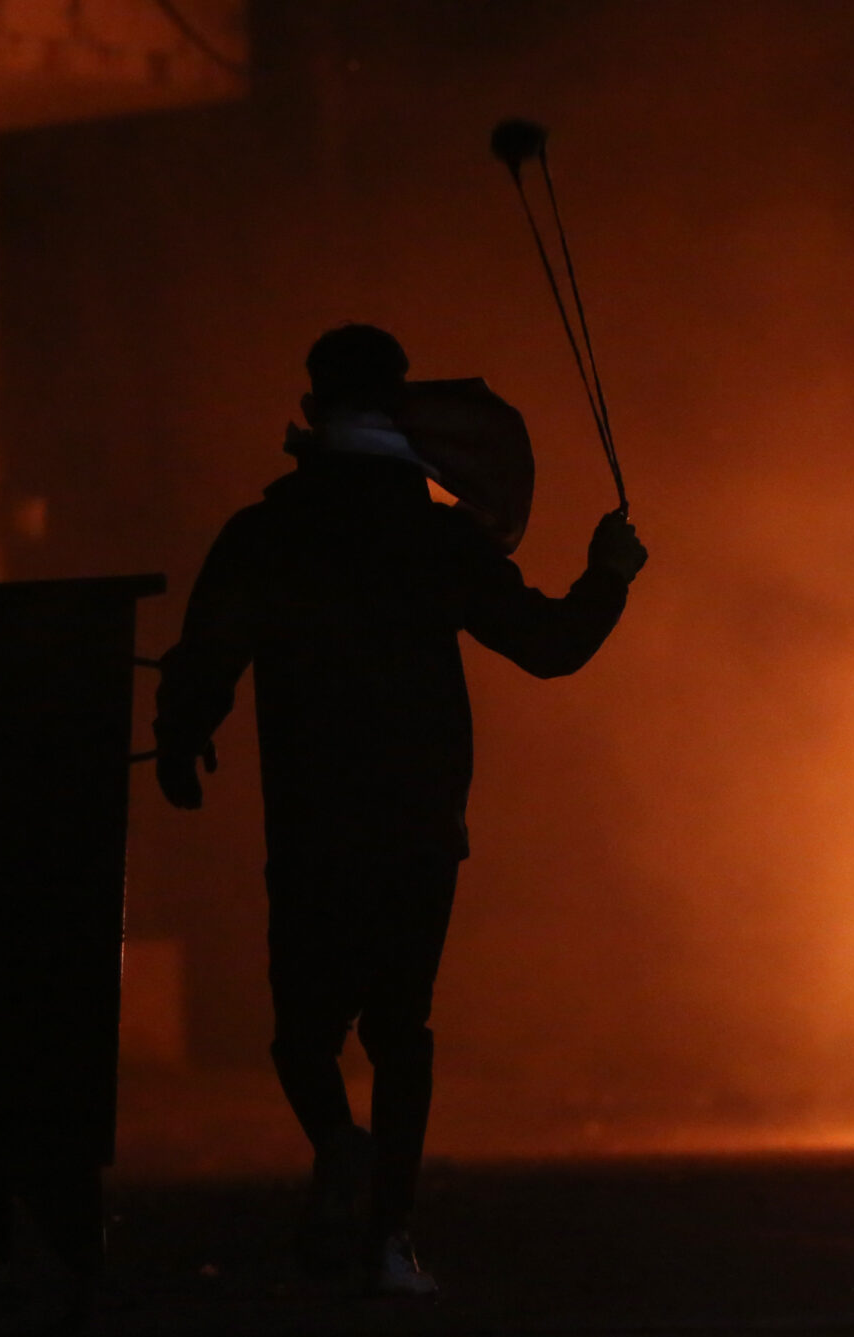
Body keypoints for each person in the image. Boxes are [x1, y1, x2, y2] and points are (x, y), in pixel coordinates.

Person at [154, 324, 647, 1296]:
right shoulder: (435, 536)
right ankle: (389, 1235)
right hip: (419, 823)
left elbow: (208, 650)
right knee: (400, 1031)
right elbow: (547, 643)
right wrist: (609, 574)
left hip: (309, 820)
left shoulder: (269, 530)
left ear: (311, 404)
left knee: (301, 1034)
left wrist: (180, 737)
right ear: (400, 405)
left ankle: (339, 1144)